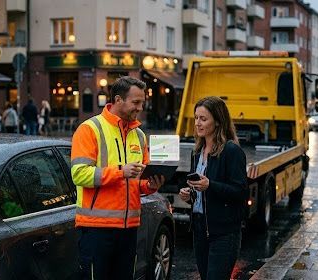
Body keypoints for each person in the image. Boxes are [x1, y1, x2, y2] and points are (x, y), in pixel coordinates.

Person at [71, 76, 165, 280]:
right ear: (118, 100)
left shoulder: (139, 135)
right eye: (136, 102)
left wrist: (150, 185)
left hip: (129, 227)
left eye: (143, 102)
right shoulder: (89, 129)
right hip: (96, 228)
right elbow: (79, 174)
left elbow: (139, 181)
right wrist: (121, 171)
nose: (140, 107)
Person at [178, 96, 247, 280]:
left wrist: (210, 185)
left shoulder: (231, 151)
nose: (198, 123)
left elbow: (240, 192)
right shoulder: (197, 151)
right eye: (196, 118)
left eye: (203, 119)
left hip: (224, 232)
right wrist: (189, 194)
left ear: (217, 121)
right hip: (200, 228)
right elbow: (199, 191)